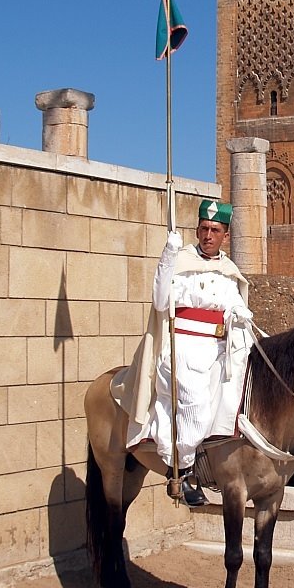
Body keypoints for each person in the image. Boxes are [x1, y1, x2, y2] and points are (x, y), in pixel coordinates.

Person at [112, 199, 253, 507]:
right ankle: (184, 468)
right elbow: (162, 302)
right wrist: (167, 256)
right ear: (197, 230)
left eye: (215, 230)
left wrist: (240, 314)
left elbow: (234, 303)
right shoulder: (180, 261)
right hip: (182, 347)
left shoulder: (228, 270)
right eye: (204, 229)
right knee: (196, 406)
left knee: (239, 396)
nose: (208, 235)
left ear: (225, 235)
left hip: (217, 349)